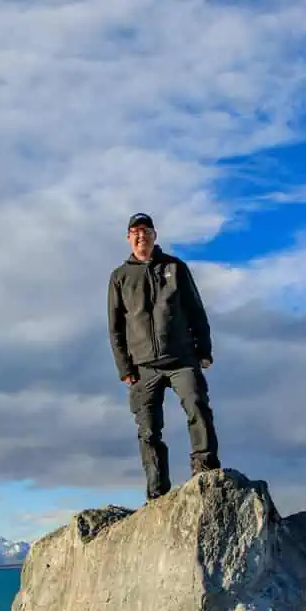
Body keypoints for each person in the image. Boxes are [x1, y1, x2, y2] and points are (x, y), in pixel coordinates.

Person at [107, 213, 221, 501]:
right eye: (134, 231)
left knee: (197, 406)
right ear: (128, 238)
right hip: (143, 367)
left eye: (145, 230)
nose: (140, 235)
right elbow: (115, 326)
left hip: (181, 358)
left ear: (154, 235)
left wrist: (203, 350)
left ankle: (204, 468)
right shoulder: (120, 277)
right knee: (148, 430)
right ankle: (157, 492)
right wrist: (125, 368)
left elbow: (196, 311)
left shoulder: (175, 267)